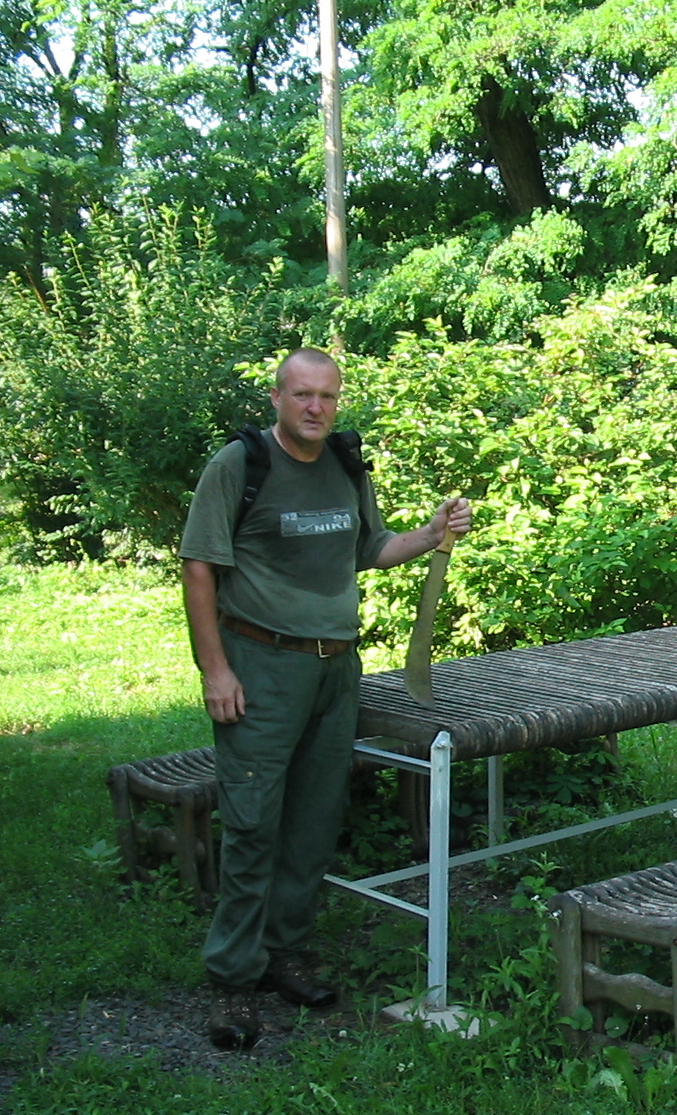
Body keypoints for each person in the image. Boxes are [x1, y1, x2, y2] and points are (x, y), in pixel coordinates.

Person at [179, 347, 473, 1051]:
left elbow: (369, 549)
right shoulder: (238, 466)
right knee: (253, 821)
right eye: (303, 394)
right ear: (277, 397)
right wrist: (215, 670)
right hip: (260, 664)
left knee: (313, 820)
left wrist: (431, 535)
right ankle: (233, 979)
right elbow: (198, 569)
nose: (316, 407)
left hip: (336, 670)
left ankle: (287, 953)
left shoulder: (345, 465)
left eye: (328, 397)